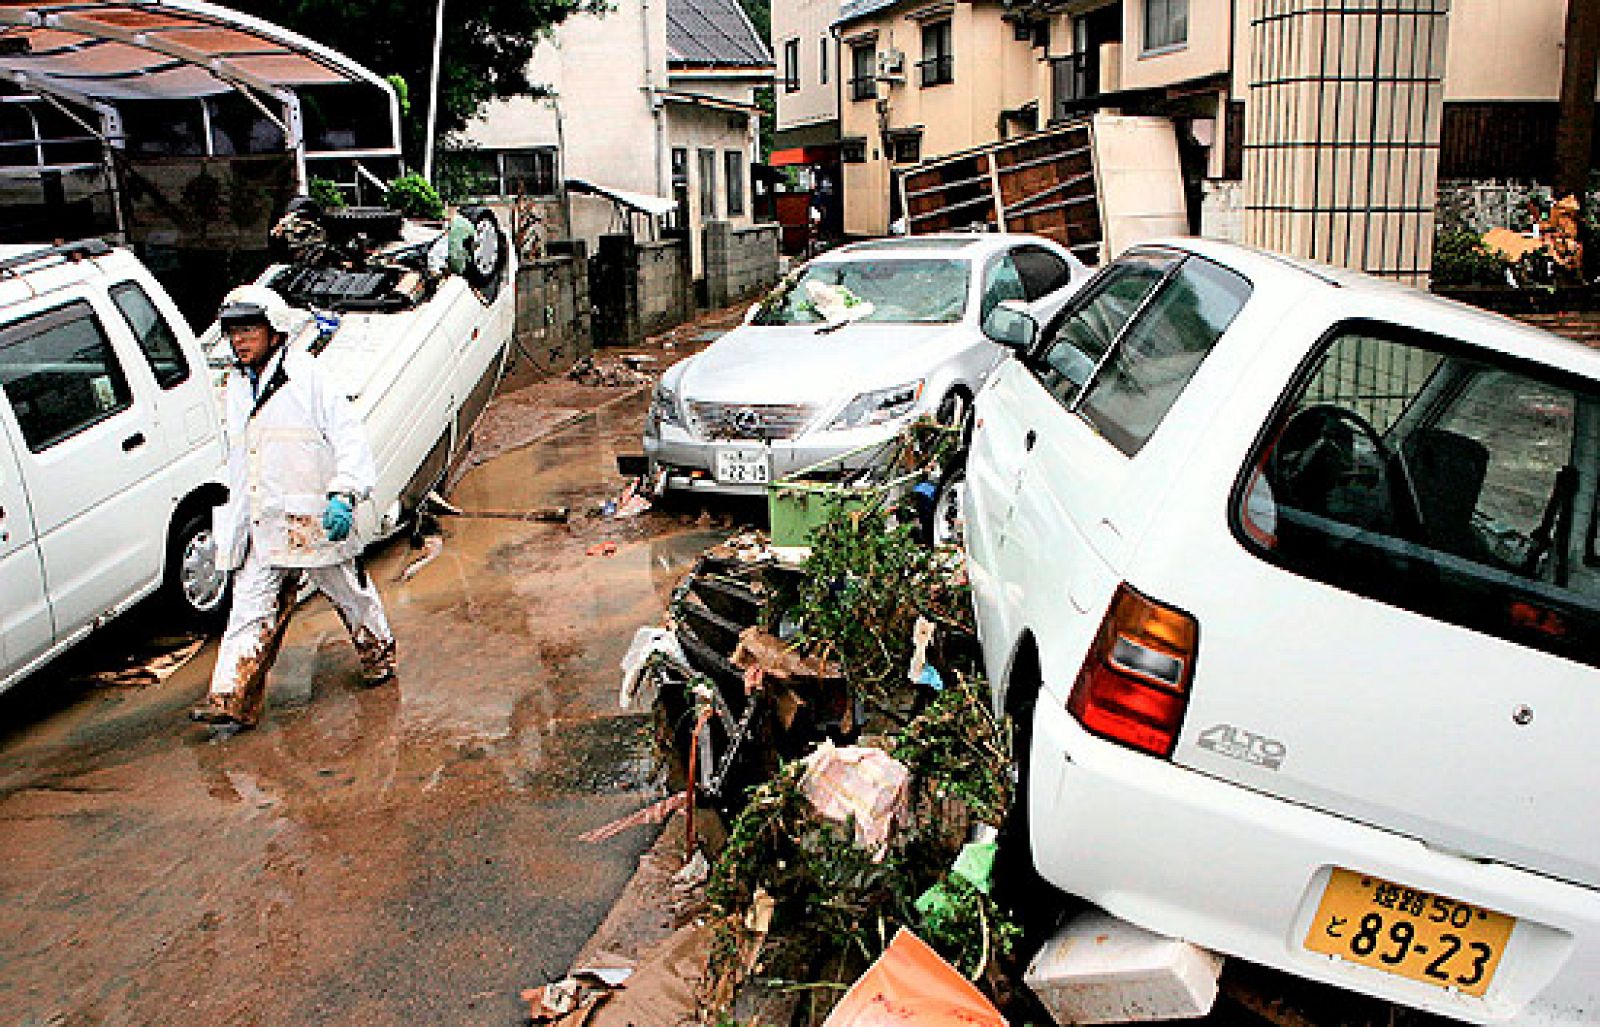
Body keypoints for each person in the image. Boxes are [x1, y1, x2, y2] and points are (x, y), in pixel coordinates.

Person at [190, 284, 396, 730]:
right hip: (265, 520)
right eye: (233, 333)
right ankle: (231, 696)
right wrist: (232, 527)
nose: (240, 341)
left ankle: (378, 652)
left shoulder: (310, 379)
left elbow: (349, 436)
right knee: (249, 606)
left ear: (275, 331)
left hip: (313, 518)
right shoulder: (236, 388)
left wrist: (344, 493)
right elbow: (242, 460)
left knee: (349, 593)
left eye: (249, 330)